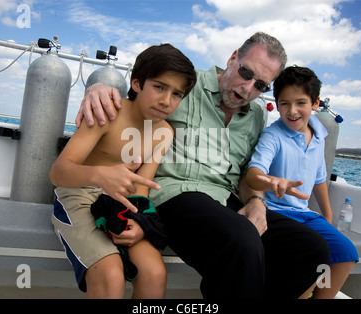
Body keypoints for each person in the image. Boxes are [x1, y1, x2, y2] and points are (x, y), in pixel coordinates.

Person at [78, 32, 330, 299]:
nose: (248, 89)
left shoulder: (256, 115)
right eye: (246, 73)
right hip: (174, 196)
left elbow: (246, 174)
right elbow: (137, 103)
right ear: (233, 57)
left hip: (226, 201)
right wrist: (99, 89)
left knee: (312, 248)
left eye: (260, 85)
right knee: (242, 239)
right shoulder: (186, 84)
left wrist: (257, 201)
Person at [49, 43, 197, 299]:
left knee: (153, 274)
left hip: (123, 204)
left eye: (177, 94)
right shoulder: (109, 112)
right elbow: (59, 172)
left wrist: (140, 223)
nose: (166, 101)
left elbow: (141, 188)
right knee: (111, 275)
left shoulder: (164, 132)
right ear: (138, 84)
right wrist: (99, 175)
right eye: (159, 87)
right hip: (77, 196)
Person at [246, 65, 358, 298]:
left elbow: (319, 180)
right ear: (277, 105)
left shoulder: (319, 136)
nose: (292, 111)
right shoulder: (272, 136)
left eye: (301, 103)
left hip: (305, 215)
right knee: (311, 255)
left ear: (315, 103)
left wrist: (326, 216)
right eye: (284, 103)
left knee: (346, 253)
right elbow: (254, 174)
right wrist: (272, 182)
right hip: (275, 212)